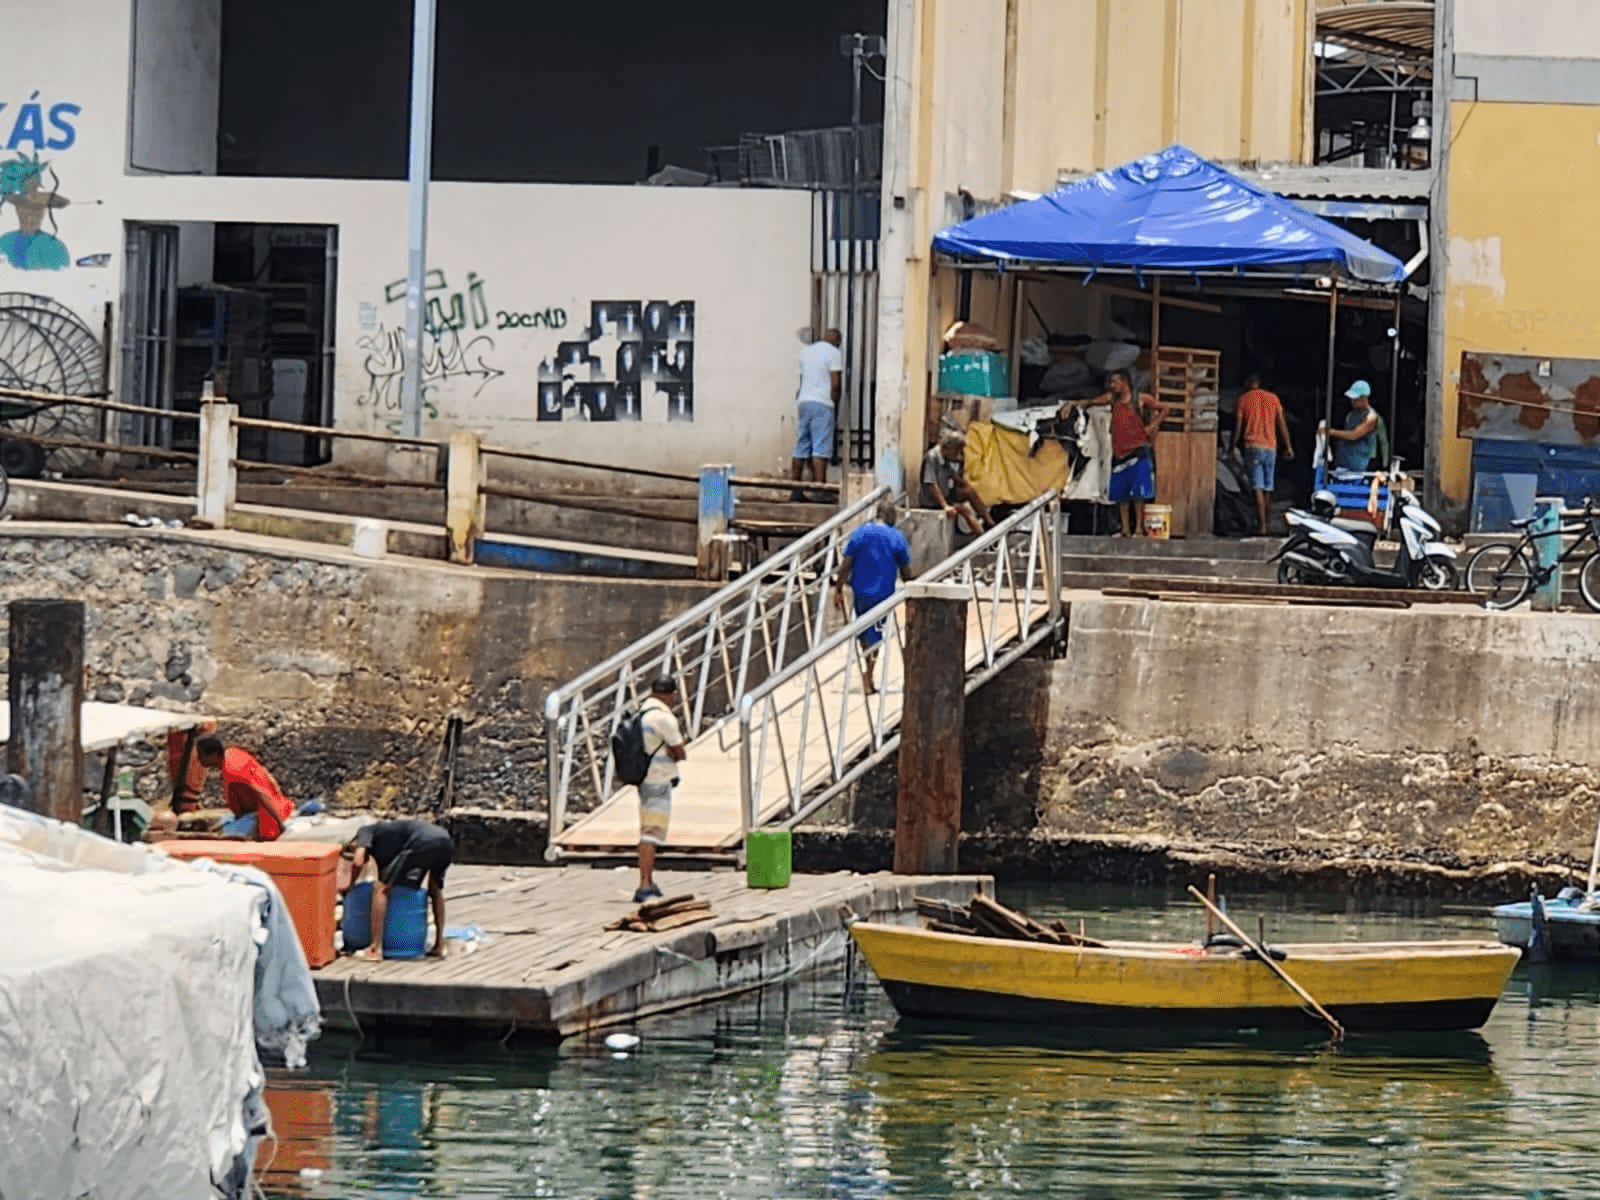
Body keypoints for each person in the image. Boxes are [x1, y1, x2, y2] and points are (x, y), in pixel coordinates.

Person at [342, 819, 453, 961]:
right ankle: (439, 944)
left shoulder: (365, 831)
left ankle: (375, 949)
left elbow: (357, 861)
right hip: (444, 840)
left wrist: (350, 885)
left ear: (353, 844)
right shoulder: (387, 839)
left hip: (420, 841)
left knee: (380, 889)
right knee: (435, 888)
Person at [833, 497, 913, 694]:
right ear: (890, 516)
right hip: (883, 594)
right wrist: (912, 589)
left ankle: (867, 668)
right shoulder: (896, 537)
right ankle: (869, 673)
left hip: (860, 591)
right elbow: (906, 570)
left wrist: (838, 588)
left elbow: (846, 563)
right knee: (876, 633)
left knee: (863, 630)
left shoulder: (860, 533)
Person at [634, 676, 687, 904]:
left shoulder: (641, 713)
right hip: (658, 779)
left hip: (644, 777)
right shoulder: (664, 718)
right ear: (670, 694)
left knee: (649, 828)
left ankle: (648, 881)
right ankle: (645, 883)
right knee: (651, 832)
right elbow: (680, 751)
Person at [195, 736, 295, 842]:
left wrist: (282, 824)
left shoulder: (232, 770)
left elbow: (261, 793)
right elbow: (266, 773)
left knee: (222, 838)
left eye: (201, 755)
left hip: (261, 817)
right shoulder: (232, 753)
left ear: (213, 754)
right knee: (219, 824)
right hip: (252, 813)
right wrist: (280, 798)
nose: (198, 759)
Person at [1104, 368, 1167, 537]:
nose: (1112, 385)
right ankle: (1125, 528)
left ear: (1124, 382)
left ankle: (1139, 528)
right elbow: (1094, 401)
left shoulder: (1140, 399)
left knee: (1138, 493)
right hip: (1119, 453)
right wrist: (1077, 403)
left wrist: (1153, 425)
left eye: (1115, 382)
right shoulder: (1113, 401)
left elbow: (1164, 409)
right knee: (1120, 494)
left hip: (1138, 451)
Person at [1232, 373, 1294, 535]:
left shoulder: (1244, 399)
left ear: (1248, 383)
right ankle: (1265, 522)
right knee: (1268, 487)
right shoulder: (1273, 398)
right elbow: (1282, 424)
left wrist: (1232, 445)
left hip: (1253, 446)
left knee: (1257, 487)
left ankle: (1262, 526)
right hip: (1271, 447)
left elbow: (1238, 426)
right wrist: (1288, 446)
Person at [790, 328, 842, 498]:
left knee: (801, 446)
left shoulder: (805, 352)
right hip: (822, 403)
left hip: (804, 401)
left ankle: (795, 490)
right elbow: (835, 384)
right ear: (837, 341)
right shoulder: (834, 353)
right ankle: (820, 492)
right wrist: (835, 402)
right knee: (820, 448)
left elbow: (801, 380)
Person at [920, 430, 993, 533]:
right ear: (951, 448)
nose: (957, 454)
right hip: (933, 502)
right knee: (965, 511)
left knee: (969, 492)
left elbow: (953, 476)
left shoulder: (945, 458)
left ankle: (990, 523)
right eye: (957, 451)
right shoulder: (932, 457)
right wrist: (945, 506)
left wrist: (968, 486)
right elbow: (932, 484)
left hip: (946, 494)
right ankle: (984, 538)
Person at [1328, 380, 1380, 472]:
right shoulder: (1351, 414)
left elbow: (1354, 435)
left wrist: (1331, 432)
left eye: (1355, 399)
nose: (1352, 401)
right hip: (1342, 463)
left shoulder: (1370, 416)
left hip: (1357, 466)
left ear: (1364, 398)